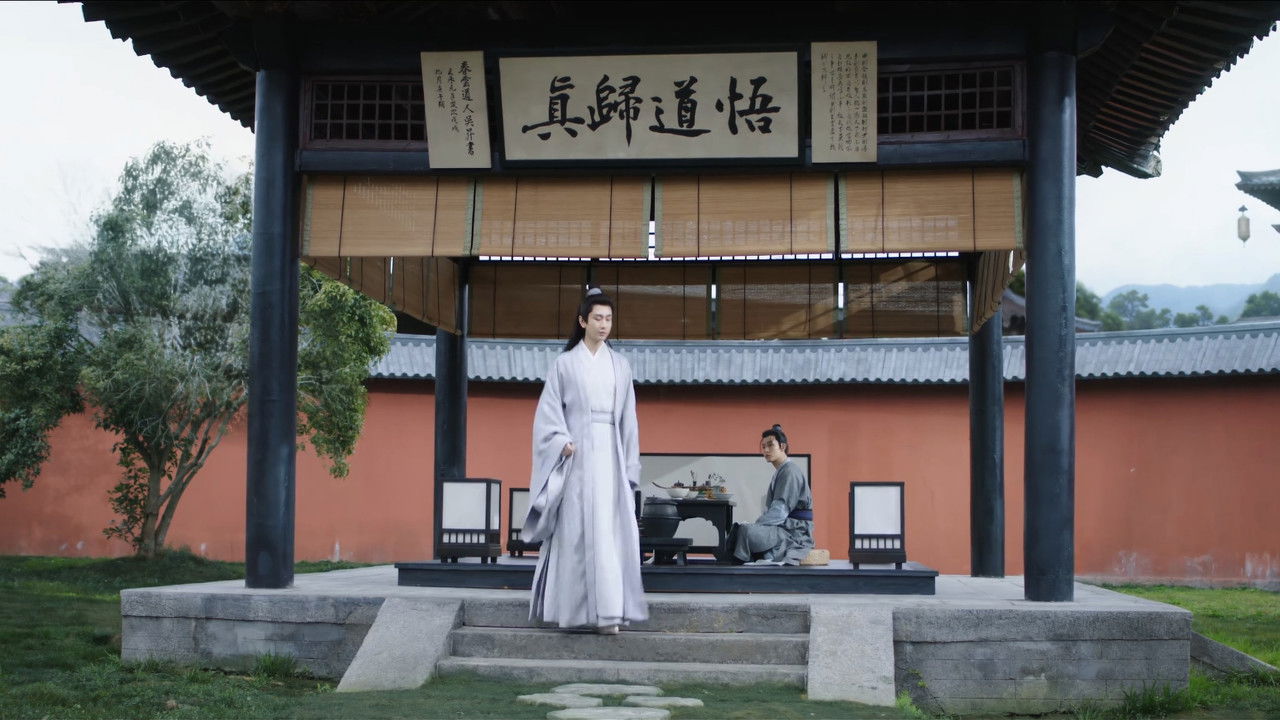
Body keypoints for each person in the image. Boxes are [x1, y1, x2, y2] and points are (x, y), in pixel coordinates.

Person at [522, 286, 648, 634]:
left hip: (611, 456)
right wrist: (559, 440)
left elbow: (629, 420)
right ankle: (573, 613)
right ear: (582, 322)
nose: (604, 325)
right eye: (597, 318)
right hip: (576, 458)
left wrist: (630, 466)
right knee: (575, 529)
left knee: (608, 531)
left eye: (608, 319)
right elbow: (547, 414)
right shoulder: (564, 364)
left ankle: (609, 615)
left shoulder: (620, 365)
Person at [730, 424, 814, 565]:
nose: (766, 450)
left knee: (746, 531)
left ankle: (760, 556)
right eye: (763, 447)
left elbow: (780, 512)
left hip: (793, 531)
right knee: (740, 529)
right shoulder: (781, 471)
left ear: (782, 446)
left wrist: (758, 525)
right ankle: (759, 555)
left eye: (770, 445)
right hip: (782, 527)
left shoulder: (790, 471)